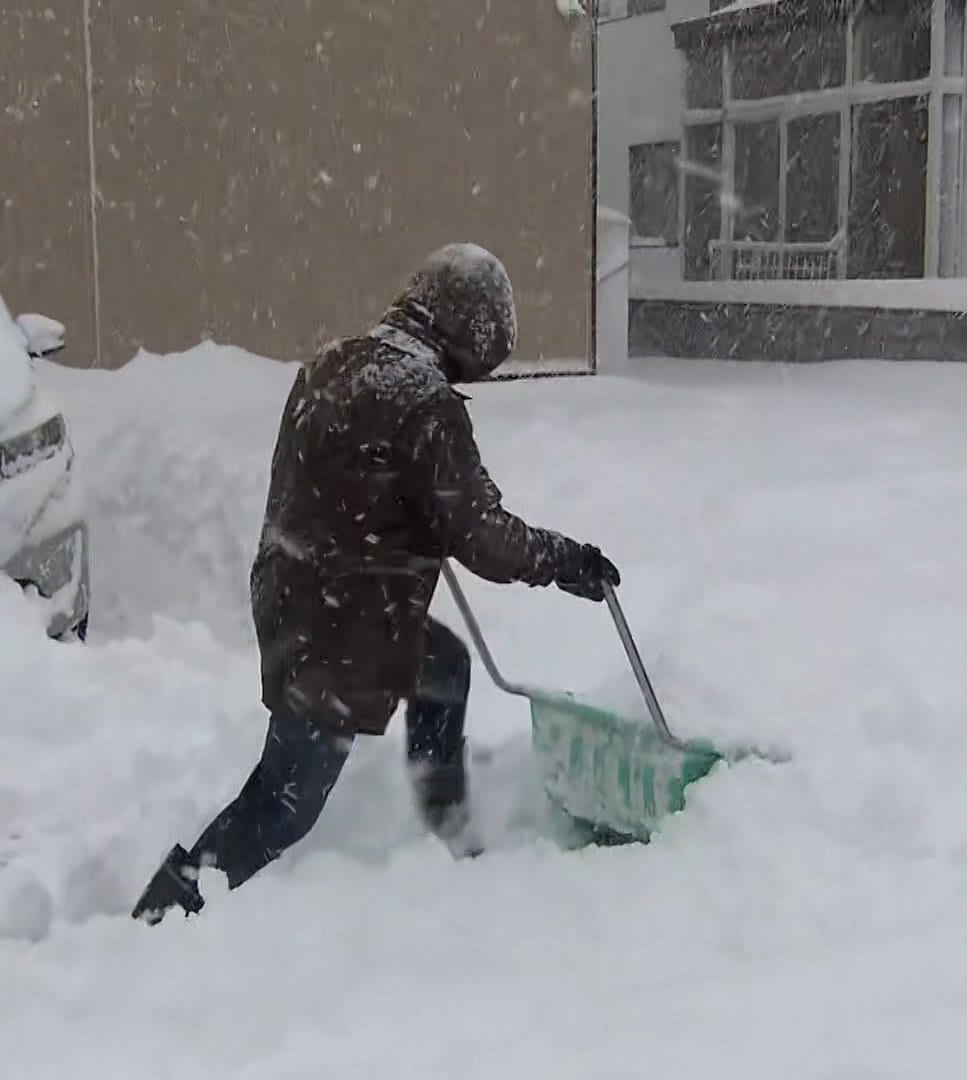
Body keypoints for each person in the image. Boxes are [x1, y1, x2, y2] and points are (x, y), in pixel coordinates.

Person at [132, 243, 620, 924]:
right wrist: (565, 560)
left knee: (443, 669)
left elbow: (342, 486)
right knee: (284, 802)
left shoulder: (332, 365)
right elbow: (482, 536)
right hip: (346, 624)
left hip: (301, 595)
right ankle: (165, 913)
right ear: (471, 332)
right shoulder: (422, 401)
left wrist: (404, 522)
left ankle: (446, 831)